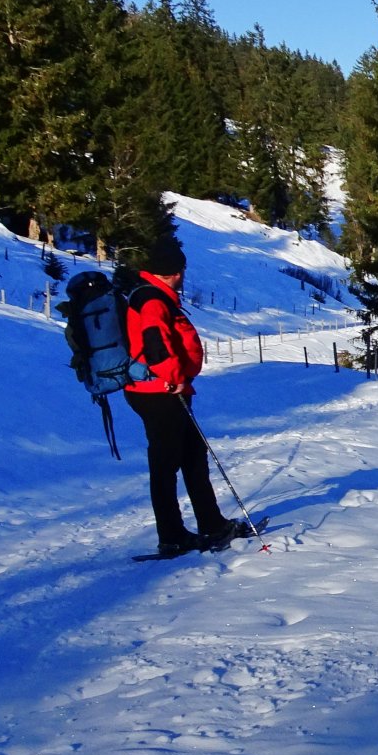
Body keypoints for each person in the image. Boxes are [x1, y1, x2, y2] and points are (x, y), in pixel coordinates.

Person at [124, 234, 245, 558]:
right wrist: (174, 376)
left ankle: (211, 524)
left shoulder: (156, 296)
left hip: (163, 390)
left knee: (192, 456)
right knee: (165, 465)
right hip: (159, 392)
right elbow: (155, 344)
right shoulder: (152, 300)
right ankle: (172, 536)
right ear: (176, 272)